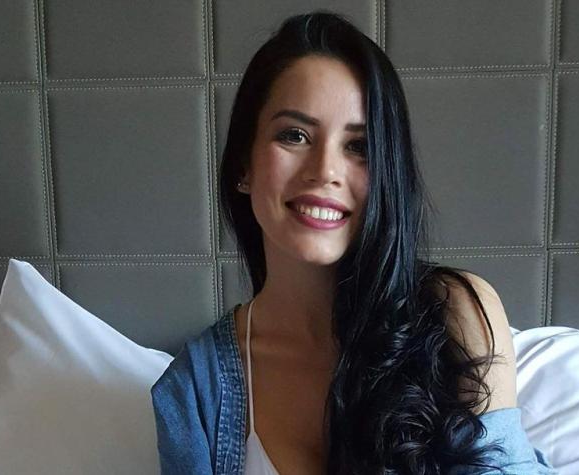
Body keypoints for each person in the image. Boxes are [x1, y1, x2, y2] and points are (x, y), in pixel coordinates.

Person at [151, 10, 557, 475]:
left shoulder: (455, 316)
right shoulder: (194, 390)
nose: (325, 170)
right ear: (244, 164)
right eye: (295, 135)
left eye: (359, 146)